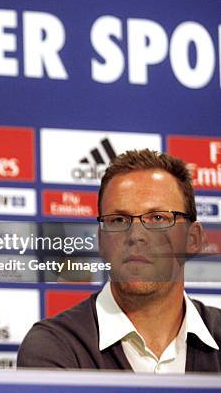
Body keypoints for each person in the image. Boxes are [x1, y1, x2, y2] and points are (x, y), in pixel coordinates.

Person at [17, 149, 221, 372]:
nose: (136, 235)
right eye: (118, 220)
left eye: (158, 218)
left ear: (192, 239)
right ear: (101, 240)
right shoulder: (55, 346)